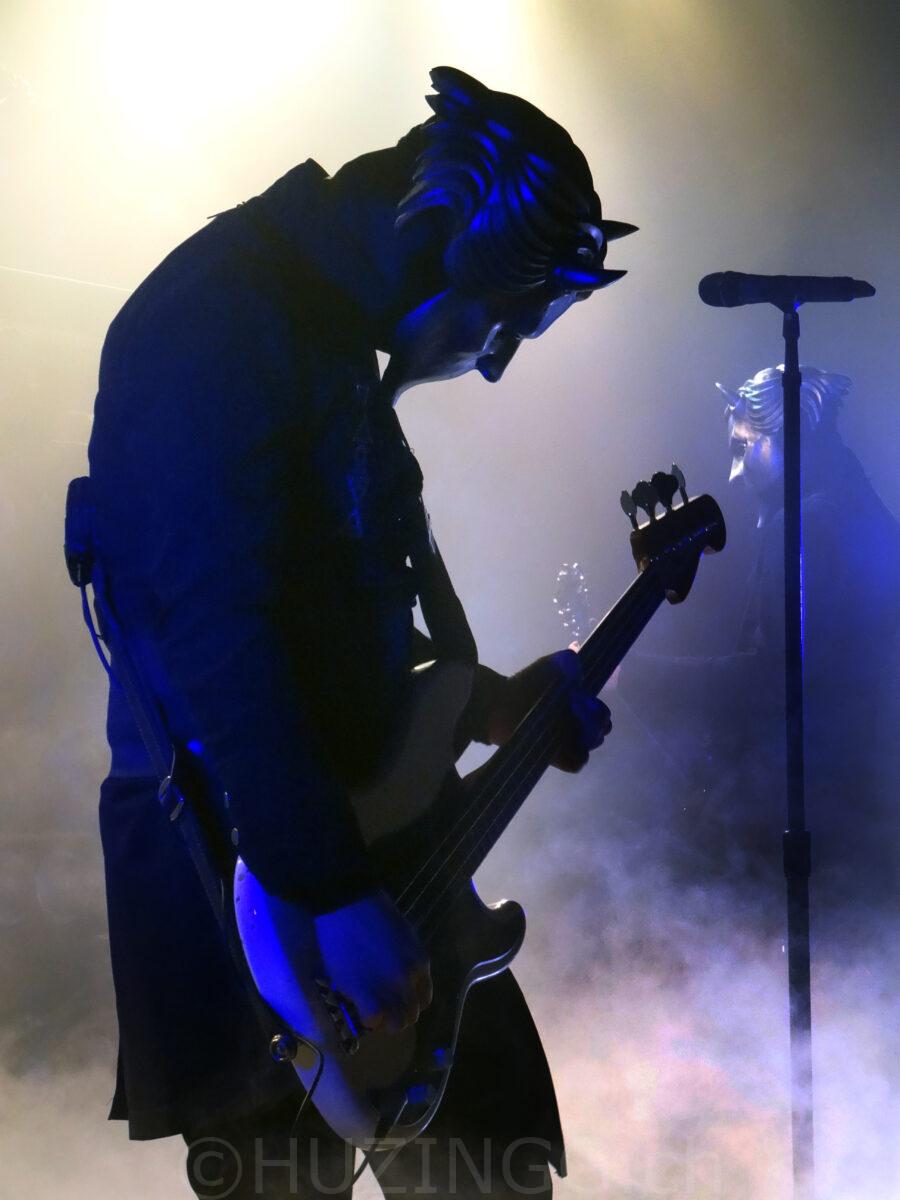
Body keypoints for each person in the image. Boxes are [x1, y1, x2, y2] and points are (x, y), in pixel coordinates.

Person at [86, 67, 634, 1197]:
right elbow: (216, 638)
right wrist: (332, 889)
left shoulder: (329, 341)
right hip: (248, 871)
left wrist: (489, 706)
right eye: (499, 323)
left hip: (377, 855)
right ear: (433, 244)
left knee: (499, 1173)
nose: (493, 360)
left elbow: (344, 616)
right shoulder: (214, 322)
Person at [617, 364, 900, 911]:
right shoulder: (867, 517)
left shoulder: (805, 528)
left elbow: (771, 681)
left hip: (807, 825)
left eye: (744, 448)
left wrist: (633, 674)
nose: (733, 474)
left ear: (788, 438)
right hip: (867, 820)